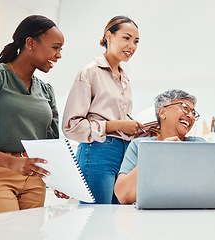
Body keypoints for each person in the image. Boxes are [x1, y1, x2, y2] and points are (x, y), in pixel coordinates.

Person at [62, 16, 152, 204]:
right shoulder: (90, 71)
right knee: (96, 218)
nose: (132, 46)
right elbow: (71, 126)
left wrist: (140, 131)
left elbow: (118, 123)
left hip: (124, 152)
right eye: (126, 38)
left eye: (136, 41)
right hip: (96, 152)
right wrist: (117, 125)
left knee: (118, 219)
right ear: (109, 37)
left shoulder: (125, 78)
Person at [0, 15, 64, 215]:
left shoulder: (46, 91)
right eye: (55, 47)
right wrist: (13, 162)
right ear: (30, 43)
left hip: (35, 181)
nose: (59, 55)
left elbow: (52, 144)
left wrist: (60, 179)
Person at [114, 89, 205, 204]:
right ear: (162, 112)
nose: (190, 116)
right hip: (146, 218)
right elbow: (123, 196)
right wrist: (158, 153)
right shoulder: (139, 145)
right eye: (185, 108)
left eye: (193, 112)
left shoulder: (199, 145)